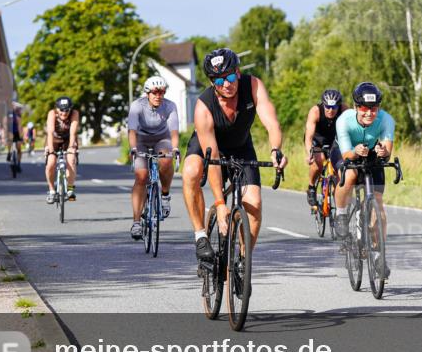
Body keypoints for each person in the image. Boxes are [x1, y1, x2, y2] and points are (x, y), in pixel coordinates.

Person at [181, 48, 287, 268]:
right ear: (211, 82)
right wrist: (220, 204)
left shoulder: (253, 86)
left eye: (230, 76)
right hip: (209, 148)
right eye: (219, 80)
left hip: (240, 147)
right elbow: (213, 157)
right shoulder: (204, 107)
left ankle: (242, 260)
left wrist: (275, 150)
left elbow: (272, 123)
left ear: (238, 72)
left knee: (255, 204)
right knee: (191, 171)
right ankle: (200, 235)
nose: (226, 84)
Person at [333, 82, 396, 274]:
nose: (369, 113)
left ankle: (378, 256)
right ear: (355, 107)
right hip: (345, 151)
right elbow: (346, 155)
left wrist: (383, 151)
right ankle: (342, 214)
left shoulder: (386, 120)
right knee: (350, 174)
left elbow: (387, 150)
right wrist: (354, 151)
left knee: (377, 202)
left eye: (374, 108)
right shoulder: (344, 120)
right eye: (363, 108)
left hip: (371, 154)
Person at [127, 76, 180, 240]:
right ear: (147, 93)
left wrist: (176, 148)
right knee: (141, 176)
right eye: (155, 92)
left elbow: (173, 132)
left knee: (165, 159)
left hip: (161, 139)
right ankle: (136, 223)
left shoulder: (170, 106)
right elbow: (132, 131)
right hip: (141, 140)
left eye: (162, 92)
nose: (159, 95)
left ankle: (164, 195)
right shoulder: (137, 106)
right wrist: (133, 149)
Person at [304, 88, 345, 208]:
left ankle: (338, 199)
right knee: (318, 160)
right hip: (317, 140)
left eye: (334, 107)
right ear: (323, 104)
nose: (330, 110)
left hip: (335, 140)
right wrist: (309, 153)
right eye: (327, 107)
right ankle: (311, 187)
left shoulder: (344, 109)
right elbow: (308, 136)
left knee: (340, 168)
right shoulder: (315, 111)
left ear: (339, 106)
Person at [44, 96, 80, 203]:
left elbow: (73, 132)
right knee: (51, 163)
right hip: (54, 139)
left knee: (71, 160)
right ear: (57, 109)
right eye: (61, 110)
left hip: (68, 139)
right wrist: (50, 150)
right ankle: (51, 191)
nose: (64, 113)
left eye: (67, 110)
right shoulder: (52, 113)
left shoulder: (74, 113)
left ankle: (70, 189)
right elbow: (50, 132)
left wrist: (71, 148)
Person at [6, 104, 24, 171]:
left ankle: (9, 153)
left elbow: (5, 127)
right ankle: (18, 164)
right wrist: (21, 137)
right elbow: (20, 128)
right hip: (15, 133)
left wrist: (5, 137)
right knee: (19, 150)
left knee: (10, 143)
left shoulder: (7, 117)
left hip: (11, 133)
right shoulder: (17, 117)